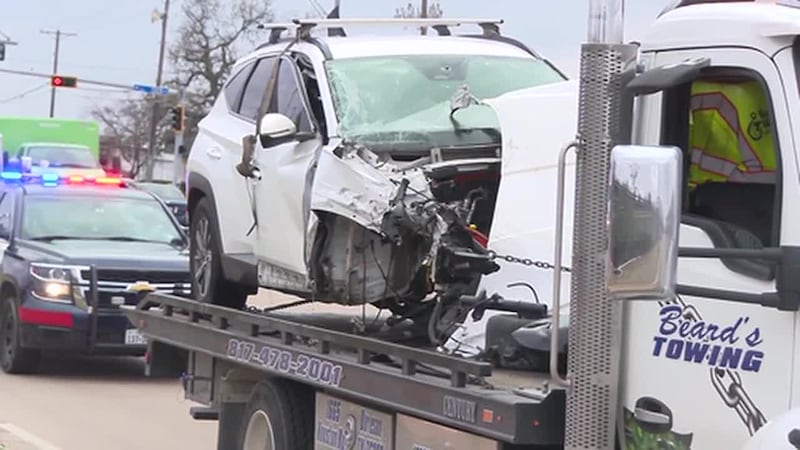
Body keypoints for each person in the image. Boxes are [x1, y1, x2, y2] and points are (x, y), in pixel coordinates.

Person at [687, 78, 777, 190]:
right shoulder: (758, 83)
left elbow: (708, 175)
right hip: (778, 176)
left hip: (741, 186)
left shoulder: (709, 95)